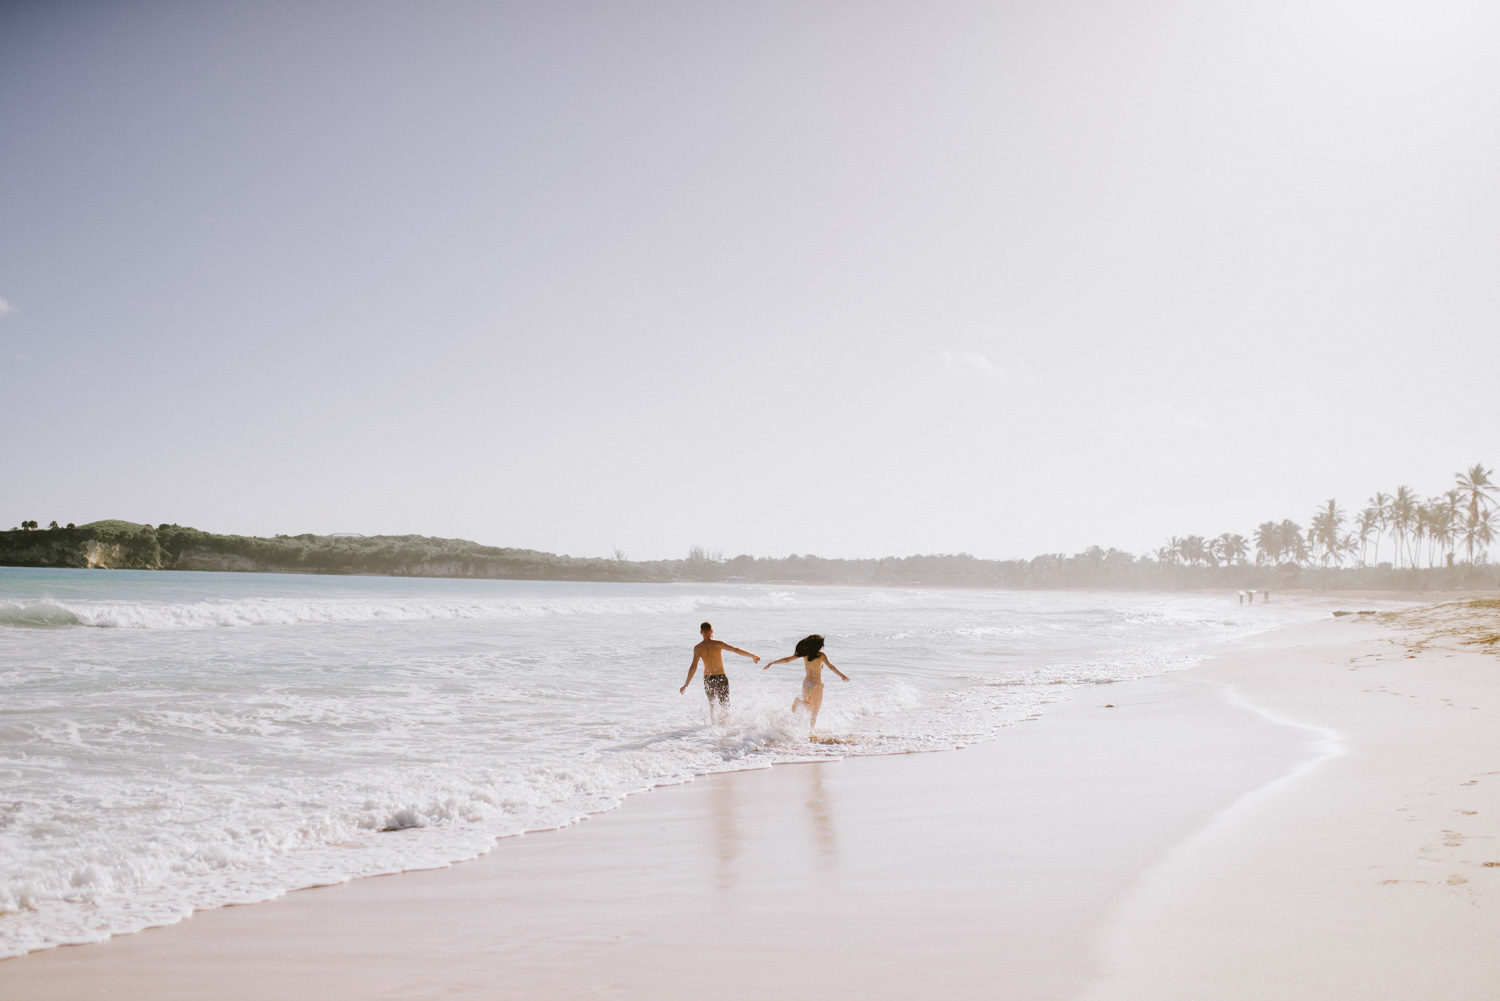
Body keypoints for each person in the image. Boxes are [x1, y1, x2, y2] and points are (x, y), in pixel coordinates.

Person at [763, 634, 849, 733]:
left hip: (806, 684)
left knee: (808, 707)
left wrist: (772, 663)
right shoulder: (821, 655)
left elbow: (787, 659)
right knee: (814, 713)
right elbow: (830, 666)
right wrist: (842, 675)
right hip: (816, 685)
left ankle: (800, 706)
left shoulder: (805, 654)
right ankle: (808, 733)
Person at [680, 622, 759, 720]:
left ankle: (713, 727)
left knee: (712, 705)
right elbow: (736, 650)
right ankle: (725, 727)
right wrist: (752, 656)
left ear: (701, 632)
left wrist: (686, 684)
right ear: (711, 631)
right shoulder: (718, 644)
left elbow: (693, 666)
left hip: (708, 678)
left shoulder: (698, 648)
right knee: (724, 704)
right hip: (721, 677)